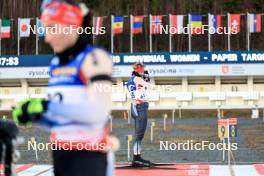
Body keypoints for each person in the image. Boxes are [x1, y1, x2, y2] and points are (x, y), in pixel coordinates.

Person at [12, 0, 116, 175]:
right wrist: (35, 117)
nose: (47, 37)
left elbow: (98, 112)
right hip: (61, 155)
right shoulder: (55, 64)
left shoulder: (94, 58)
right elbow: (63, 124)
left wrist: (47, 106)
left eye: (52, 28)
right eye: (45, 29)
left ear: (71, 26)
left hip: (89, 157)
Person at [126, 62, 153, 167]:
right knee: (139, 135)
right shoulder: (138, 79)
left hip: (135, 107)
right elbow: (149, 86)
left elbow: (138, 90)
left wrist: (144, 79)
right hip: (140, 107)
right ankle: (136, 158)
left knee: (138, 134)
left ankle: (137, 157)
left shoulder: (132, 80)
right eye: (142, 69)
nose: (143, 71)